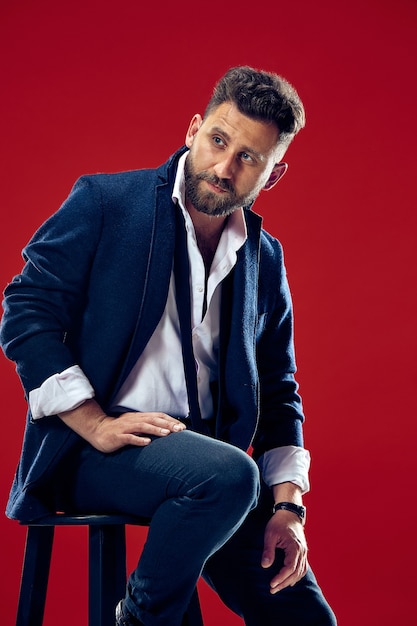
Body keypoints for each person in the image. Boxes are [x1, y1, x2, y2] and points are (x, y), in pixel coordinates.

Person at [1, 66, 337, 626]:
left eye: (249, 158)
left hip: (208, 466)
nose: (224, 169)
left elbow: (280, 389)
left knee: (306, 618)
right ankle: (138, 619)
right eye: (219, 141)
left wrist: (288, 507)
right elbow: (25, 310)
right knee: (227, 477)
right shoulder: (107, 202)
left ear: (272, 175)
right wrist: (92, 421)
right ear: (193, 129)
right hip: (93, 450)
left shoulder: (265, 258)